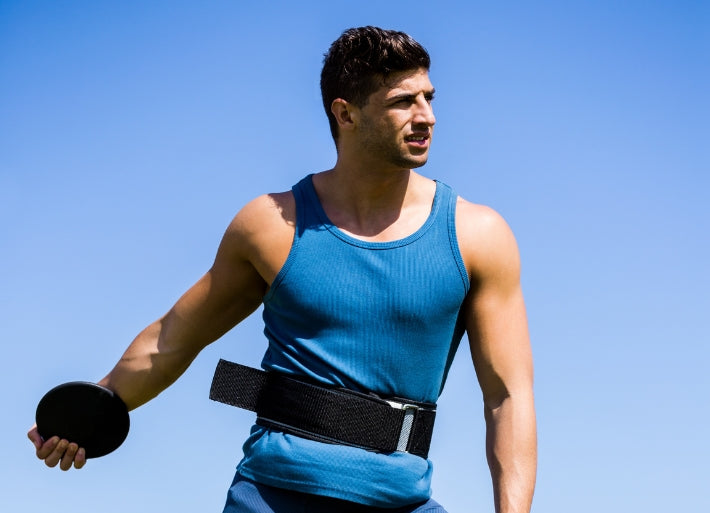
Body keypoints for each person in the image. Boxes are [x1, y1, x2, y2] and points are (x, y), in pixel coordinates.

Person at [28, 26, 536, 513]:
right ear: (346, 114)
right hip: (270, 495)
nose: (426, 116)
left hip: (401, 500)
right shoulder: (271, 226)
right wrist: (90, 409)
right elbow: (172, 341)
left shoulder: (476, 236)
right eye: (403, 102)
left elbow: (508, 397)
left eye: (429, 97)